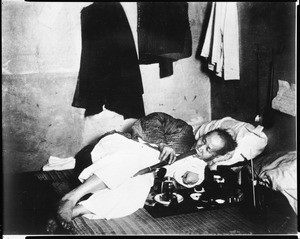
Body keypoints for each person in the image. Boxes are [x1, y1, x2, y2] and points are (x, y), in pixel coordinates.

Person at [47, 127, 236, 233]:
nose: (202, 147)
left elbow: (190, 178)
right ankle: (71, 197)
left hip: (144, 171)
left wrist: (189, 178)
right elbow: (147, 125)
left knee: (135, 195)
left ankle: (73, 211)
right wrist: (164, 144)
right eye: (204, 140)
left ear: (213, 156)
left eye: (209, 150)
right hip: (124, 149)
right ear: (201, 135)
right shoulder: (183, 132)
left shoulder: (197, 166)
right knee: (134, 160)